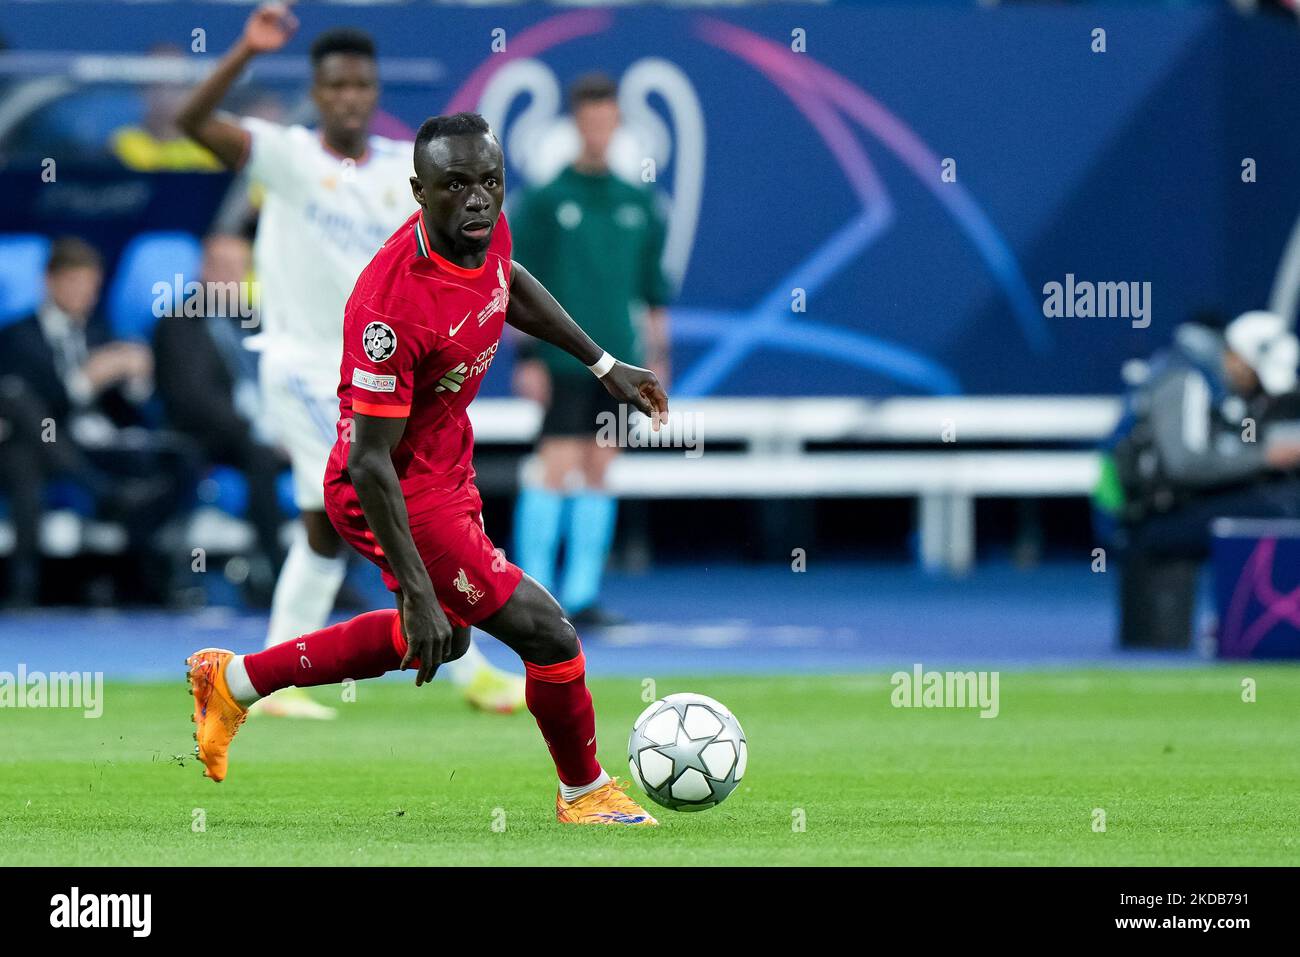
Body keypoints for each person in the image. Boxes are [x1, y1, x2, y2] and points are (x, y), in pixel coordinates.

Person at [186, 113, 670, 825]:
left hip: (445, 462)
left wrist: (601, 363)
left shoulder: (484, 228)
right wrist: (414, 586)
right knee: (548, 633)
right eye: (456, 186)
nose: (478, 199)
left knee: (448, 632)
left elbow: (510, 283)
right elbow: (368, 460)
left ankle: (232, 681)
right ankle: (585, 790)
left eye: (490, 183)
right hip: (391, 487)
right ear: (419, 190)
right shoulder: (394, 305)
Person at [175, 2, 523, 716]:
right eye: (334, 86)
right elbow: (191, 124)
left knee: (325, 526)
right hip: (305, 366)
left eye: (360, 85)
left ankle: (257, 675)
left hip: (378, 379)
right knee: (390, 504)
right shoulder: (287, 154)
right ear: (317, 88)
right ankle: (473, 663)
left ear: (374, 91)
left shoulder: (408, 170)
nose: (348, 97)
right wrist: (244, 50)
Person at [509, 73, 673, 627]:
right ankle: (533, 596)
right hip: (561, 360)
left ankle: (582, 596)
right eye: (590, 119)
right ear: (577, 123)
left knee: (601, 467)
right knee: (555, 466)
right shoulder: (547, 200)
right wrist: (527, 358)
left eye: (607, 119)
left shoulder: (639, 203)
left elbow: (653, 294)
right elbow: (513, 285)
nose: (599, 129)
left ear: (617, 123)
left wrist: (658, 359)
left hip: (619, 365)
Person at [0, 238, 187, 603]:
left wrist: (136, 381)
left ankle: (147, 582)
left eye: (90, 286)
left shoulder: (101, 331)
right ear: (49, 282)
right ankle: (28, 587)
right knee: (26, 457)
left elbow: (123, 409)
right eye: (74, 283)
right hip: (44, 443)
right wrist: (87, 380)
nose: (83, 294)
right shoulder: (17, 337)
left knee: (180, 459)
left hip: (99, 444)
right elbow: (32, 409)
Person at [1098, 310, 1300, 646]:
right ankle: (1254, 625)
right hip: (1151, 520)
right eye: (1255, 373)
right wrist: (1265, 457)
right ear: (1235, 357)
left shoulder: (1201, 379)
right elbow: (1184, 464)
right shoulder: (1186, 379)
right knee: (1281, 510)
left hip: (1164, 510)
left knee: (1281, 501)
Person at [152, 234, 289, 586]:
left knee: (337, 454)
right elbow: (193, 398)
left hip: (267, 430)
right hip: (207, 435)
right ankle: (275, 574)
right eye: (222, 267)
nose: (231, 277)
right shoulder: (178, 322)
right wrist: (255, 430)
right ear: (203, 269)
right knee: (259, 456)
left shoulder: (254, 321)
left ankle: (331, 572)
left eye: (239, 268)